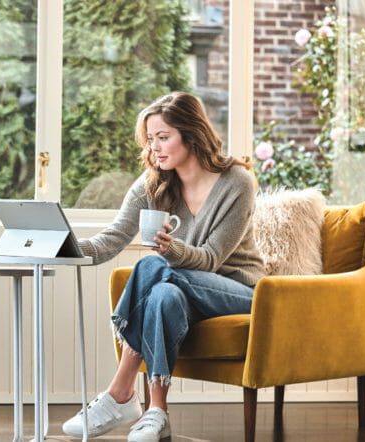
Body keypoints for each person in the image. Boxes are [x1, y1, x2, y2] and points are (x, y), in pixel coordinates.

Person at [62, 91, 266, 442]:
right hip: (184, 289)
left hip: (239, 290)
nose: (154, 147)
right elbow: (112, 238)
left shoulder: (237, 182)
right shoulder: (153, 183)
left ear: (191, 134)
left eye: (163, 137)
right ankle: (157, 411)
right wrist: (63, 248)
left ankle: (121, 390)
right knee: (163, 295)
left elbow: (211, 259)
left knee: (157, 268)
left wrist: (170, 250)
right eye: (150, 139)